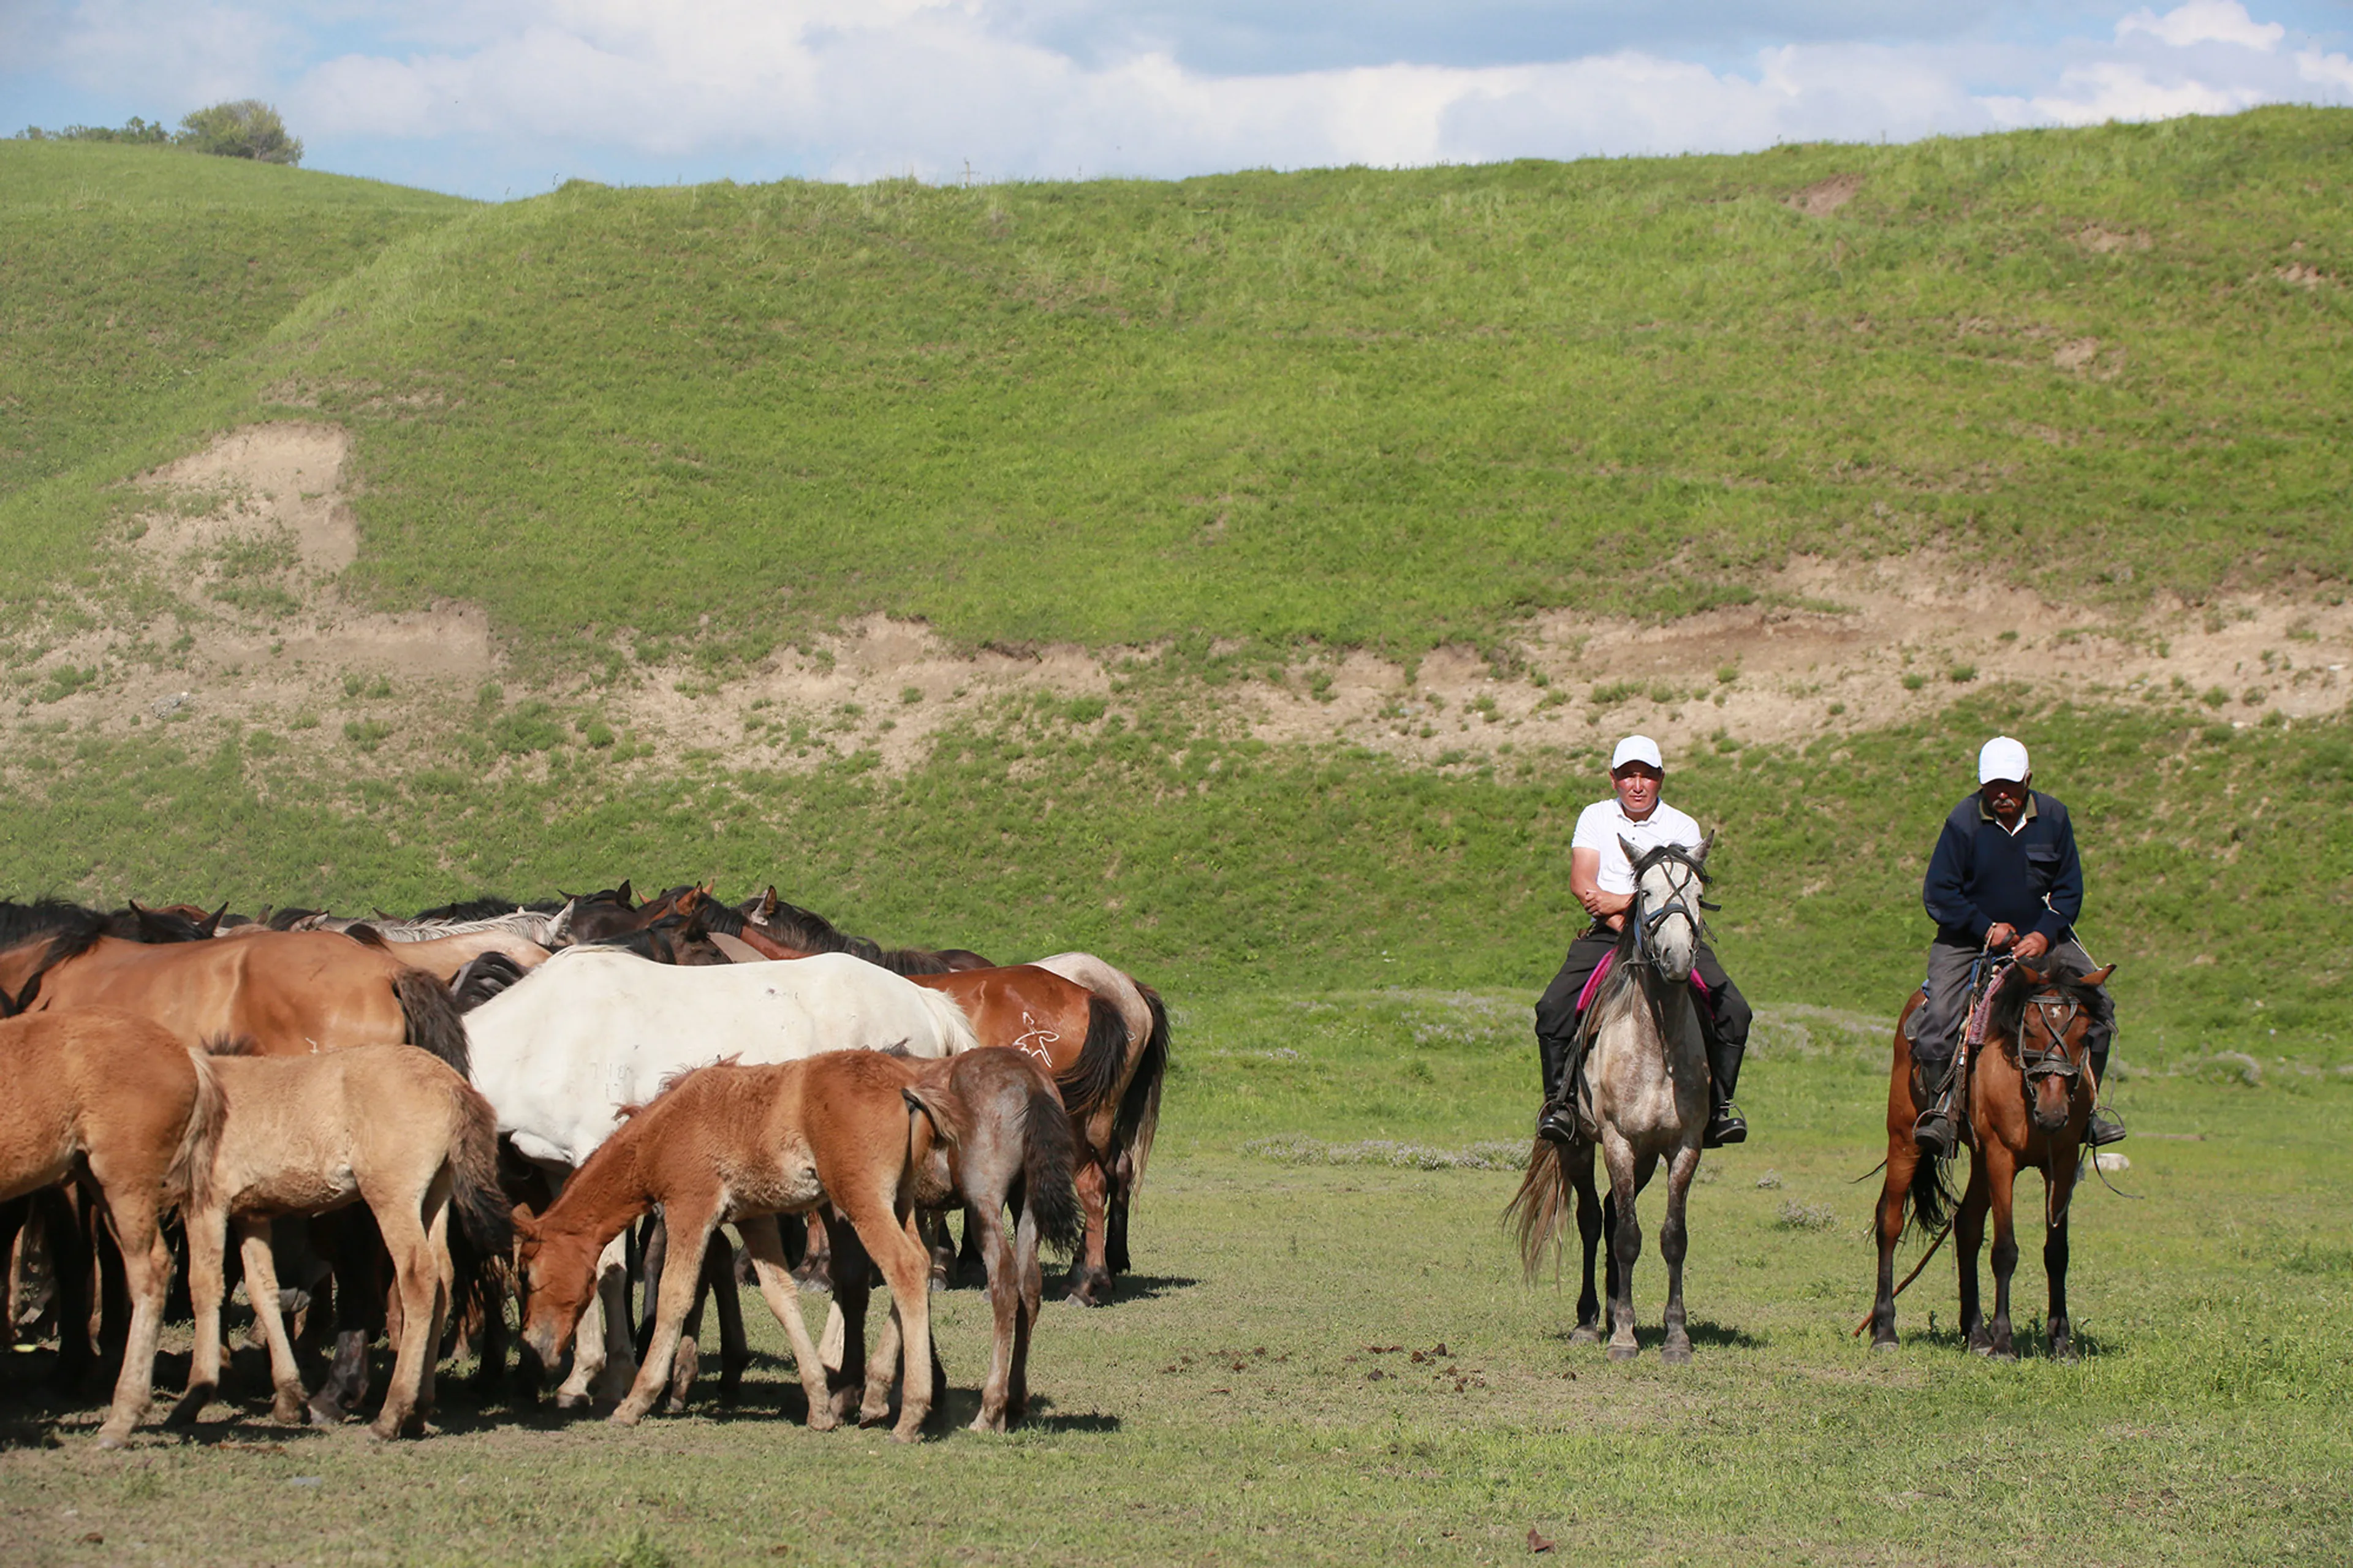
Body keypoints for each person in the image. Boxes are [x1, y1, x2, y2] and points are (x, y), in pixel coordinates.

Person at [1532, 735, 1752, 1148]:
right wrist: (1621, 915)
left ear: (1660, 779)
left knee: (1736, 1010)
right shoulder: (1596, 817)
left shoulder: (1683, 826)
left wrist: (1619, 900)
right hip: (1608, 932)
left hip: (1672, 932)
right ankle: (1559, 1106)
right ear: (1613, 779)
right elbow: (1582, 882)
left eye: (1647, 775)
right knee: (1553, 1007)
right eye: (1629, 775)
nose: (1637, 784)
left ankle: (1719, 1110)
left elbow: (1680, 894)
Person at [1912, 735, 2123, 1157]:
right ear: (1982, 784)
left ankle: (2089, 1111)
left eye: (2010, 784)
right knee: (1938, 1017)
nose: (2001, 793)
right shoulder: (1963, 821)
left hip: (2042, 938)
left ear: (2028, 780)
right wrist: (1984, 927)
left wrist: (2044, 933)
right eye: (1993, 785)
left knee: (2099, 1005)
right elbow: (1940, 892)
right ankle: (1942, 1112)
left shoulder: (2054, 818)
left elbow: (2068, 891)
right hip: (1969, 941)